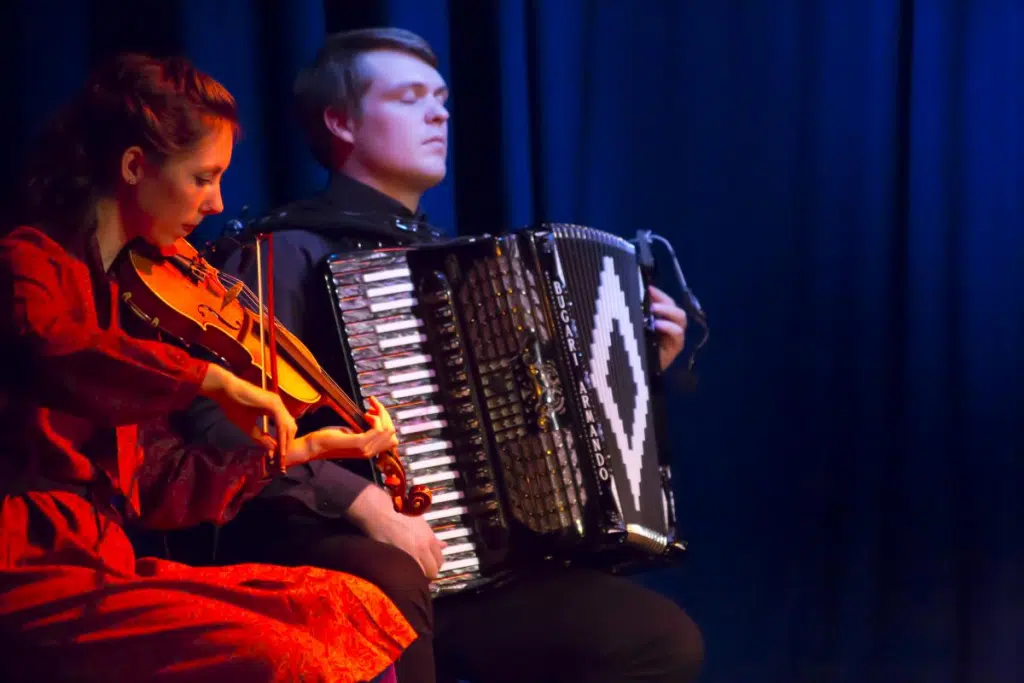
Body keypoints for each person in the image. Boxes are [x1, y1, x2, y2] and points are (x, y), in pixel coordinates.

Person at [177, 28, 704, 683]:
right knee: (394, 579)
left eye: (443, 99)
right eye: (409, 97)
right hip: (342, 555)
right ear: (340, 121)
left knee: (657, 638)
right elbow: (214, 425)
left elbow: (544, 427)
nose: (439, 113)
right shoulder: (280, 253)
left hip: (476, 570)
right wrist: (360, 503)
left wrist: (638, 364)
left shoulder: (456, 265)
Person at [0, 53, 418, 683]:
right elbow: (58, 350)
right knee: (290, 658)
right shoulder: (29, 261)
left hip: (106, 566)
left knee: (352, 607)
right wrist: (211, 379)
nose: (218, 203)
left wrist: (304, 449)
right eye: (202, 178)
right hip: (30, 568)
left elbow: (159, 484)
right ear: (136, 167)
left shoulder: (132, 300)